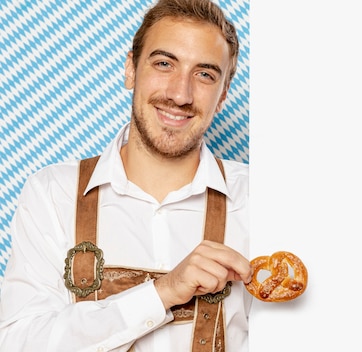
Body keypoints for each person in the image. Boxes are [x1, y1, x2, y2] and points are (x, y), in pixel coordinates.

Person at [0, 0, 253, 351]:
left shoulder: (258, 199)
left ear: (223, 95)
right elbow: (18, 343)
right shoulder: (52, 193)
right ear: (130, 70)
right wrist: (162, 293)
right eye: (164, 64)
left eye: (205, 74)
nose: (180, 94)